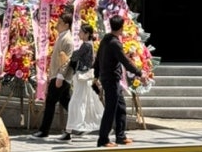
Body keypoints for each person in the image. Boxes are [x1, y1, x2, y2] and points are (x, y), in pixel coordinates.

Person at [94, 15, 142, 148]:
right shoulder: (115, 43)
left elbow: (97, 58)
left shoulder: (105, 40)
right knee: (110, 109)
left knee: (121, 107)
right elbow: (125, 61)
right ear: (121, 28)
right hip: (111, 79)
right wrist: (139, 72)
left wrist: (96, 75)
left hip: (109, 79)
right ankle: (103, 139)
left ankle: (120, 136)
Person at [33, 11, 75, 138]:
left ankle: (44, 130)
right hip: (58, 76)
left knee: (50, 102)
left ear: (67, 25)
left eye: (60, 23)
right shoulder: (62, 36)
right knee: (67, 103)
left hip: (60, 77)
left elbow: (66, 60)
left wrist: (60, 77)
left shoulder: (67, 40)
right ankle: (81, 123)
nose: (57, 25)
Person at [59, 24, 100, 141]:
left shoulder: (86, 45)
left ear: (87, 34)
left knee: (75, 103)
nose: (79, 34)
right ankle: (101, 126)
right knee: (88, 103)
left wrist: (65, 55)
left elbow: (75, 56)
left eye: (81, 32)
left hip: (82, 77)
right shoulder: (88, 44)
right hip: (84, 77)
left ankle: (69, 131)